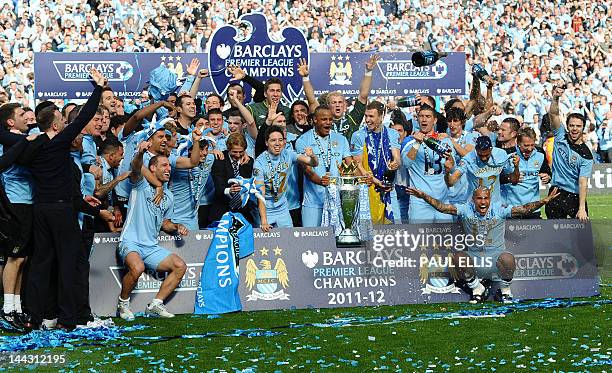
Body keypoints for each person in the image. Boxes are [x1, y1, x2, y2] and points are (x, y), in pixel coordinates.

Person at [19, 68, 105, 330]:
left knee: (41, 264)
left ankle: (36, 316)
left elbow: (21, 157)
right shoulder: (58, 142)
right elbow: (84, 117)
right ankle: (68, 319)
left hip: (40, 210)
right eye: (62, 121)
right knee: (68, 263)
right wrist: (98, 88)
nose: (67, 125)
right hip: (61, 211)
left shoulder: (32, 145)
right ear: (56, 125)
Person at [407, 186, 560, 303]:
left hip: (495, 258)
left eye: (486, 198)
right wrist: (423, 196)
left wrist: (543, 201)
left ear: (490, 199)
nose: (483, 202)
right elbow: (442, 207)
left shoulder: (499, 209)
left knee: (509, 259)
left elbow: (524, 209)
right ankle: (477, 289)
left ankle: (505, 291)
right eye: (479, 198)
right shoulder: (466, 209)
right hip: (475, 258)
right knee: (457, 257)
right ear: (473, 200)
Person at [116, 140, 189, 321]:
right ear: (152, 168)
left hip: (150, 247)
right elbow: (136, 166)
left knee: (180, 266)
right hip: (130, 241)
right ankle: (123, 303)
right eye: (163, 165)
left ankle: (155, 304)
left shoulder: (169, 196)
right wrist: (140, 152)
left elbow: (165, 224)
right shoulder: (141, 185)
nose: (168, 169)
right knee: (137, 267)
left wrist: (177, 227)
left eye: (169, 166)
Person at [0, 103, 32, 328]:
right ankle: (7, 309)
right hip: (15, 202)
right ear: (10, 122)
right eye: (21, 115)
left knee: (23, 258)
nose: (26, 118)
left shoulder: (26, 138)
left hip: (29, 202)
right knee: (14, 257)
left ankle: (17, 307)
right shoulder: (7, 142)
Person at [296, 105, 352, 227]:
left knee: (335, 241)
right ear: (315, 120)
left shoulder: (341, 139)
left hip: (336, 201)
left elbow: (351, 166)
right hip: (313, 203)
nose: (328, 123)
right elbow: (307, 171)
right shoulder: (303, 141)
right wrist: (322, 181)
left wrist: (363, 179)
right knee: (312, 241)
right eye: (324, 119)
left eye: (330, 119)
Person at [300, 55, 380, 141]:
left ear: (345, 105)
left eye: (340, 102)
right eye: (334, 103)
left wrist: (368, 71)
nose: (337, 105)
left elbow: (363, 95)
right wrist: (305, 78)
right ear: (328, 106)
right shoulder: (321, 119)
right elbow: (312, 101)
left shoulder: (353, 118)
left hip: (349, 154)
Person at [253, 126, 318, 228]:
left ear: (284, 142)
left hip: (282, 208)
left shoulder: (288, 154)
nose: (277, 143)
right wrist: (264, 220)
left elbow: (313, 163)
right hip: (266, 210)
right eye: (273, 140)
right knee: (266, 243)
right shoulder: (259, 163)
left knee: (288, 240)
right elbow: (260, 194)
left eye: (280, 140)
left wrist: (313, 156)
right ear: (266, 143)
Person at [545, 85, 593, 222]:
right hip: (555, 192)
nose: (574, 129)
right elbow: (553, 114)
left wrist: (582, 207)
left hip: (575, 197)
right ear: (567, 126)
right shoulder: (560, 135)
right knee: (554, 233)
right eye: (572, 125)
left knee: (581, 236)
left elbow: (583, 182)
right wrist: (555, 98)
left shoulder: (586, 154)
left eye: (578, 126)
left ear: (583, 128)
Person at [402, 104, 454, 223]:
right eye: (421, 116)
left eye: (428, 116)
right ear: (417, 119)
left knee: (445, 240)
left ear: (435, 120)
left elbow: (452, 166)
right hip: (420, 201)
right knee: (420, 240)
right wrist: (417, 143)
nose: (424, 119)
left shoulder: (444, 141)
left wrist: (450, 161)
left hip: (443, 200)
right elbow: (406, 163)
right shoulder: (410, 142)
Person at [351, 101, 401, 224]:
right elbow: (358, 166)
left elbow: (397, 157)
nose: (367, 120)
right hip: (368, 188)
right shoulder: (358, 135)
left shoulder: (392, 133)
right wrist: (375, 181)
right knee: (370, 231)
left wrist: (395, 163)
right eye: (366, 116)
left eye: (371, 116)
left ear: (382, 117)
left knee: (395, 229)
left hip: (389, 188)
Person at [210, 132, 267, 226]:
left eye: (240, 152)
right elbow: (218, 187)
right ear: (228, 148)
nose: (237, 155)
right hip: (222, 211)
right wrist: (229, 190)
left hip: (244, 213)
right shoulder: (219, 159)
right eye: (234, 152)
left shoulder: (249, 162)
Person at [445, 135, 520, 203]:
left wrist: (516, 167)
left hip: (494, 205)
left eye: (487, 155)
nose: (484, 158)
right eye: (480, 155)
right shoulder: (468, 159)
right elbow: (451, 182)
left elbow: (514, 180)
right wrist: (447, 172)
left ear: (491, 149)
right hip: (474, 205)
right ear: (476, 150)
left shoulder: (501, 155)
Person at [501, 128, 552, 219]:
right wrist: (509, 178)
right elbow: (498, 178)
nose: (529, 149)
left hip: (533, 208)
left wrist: (547, 176)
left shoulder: (540, 153)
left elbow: (547, 171)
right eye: (526, 145)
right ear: (518, 143)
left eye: (532, 145)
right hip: (512, 209)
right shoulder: (506, 154)